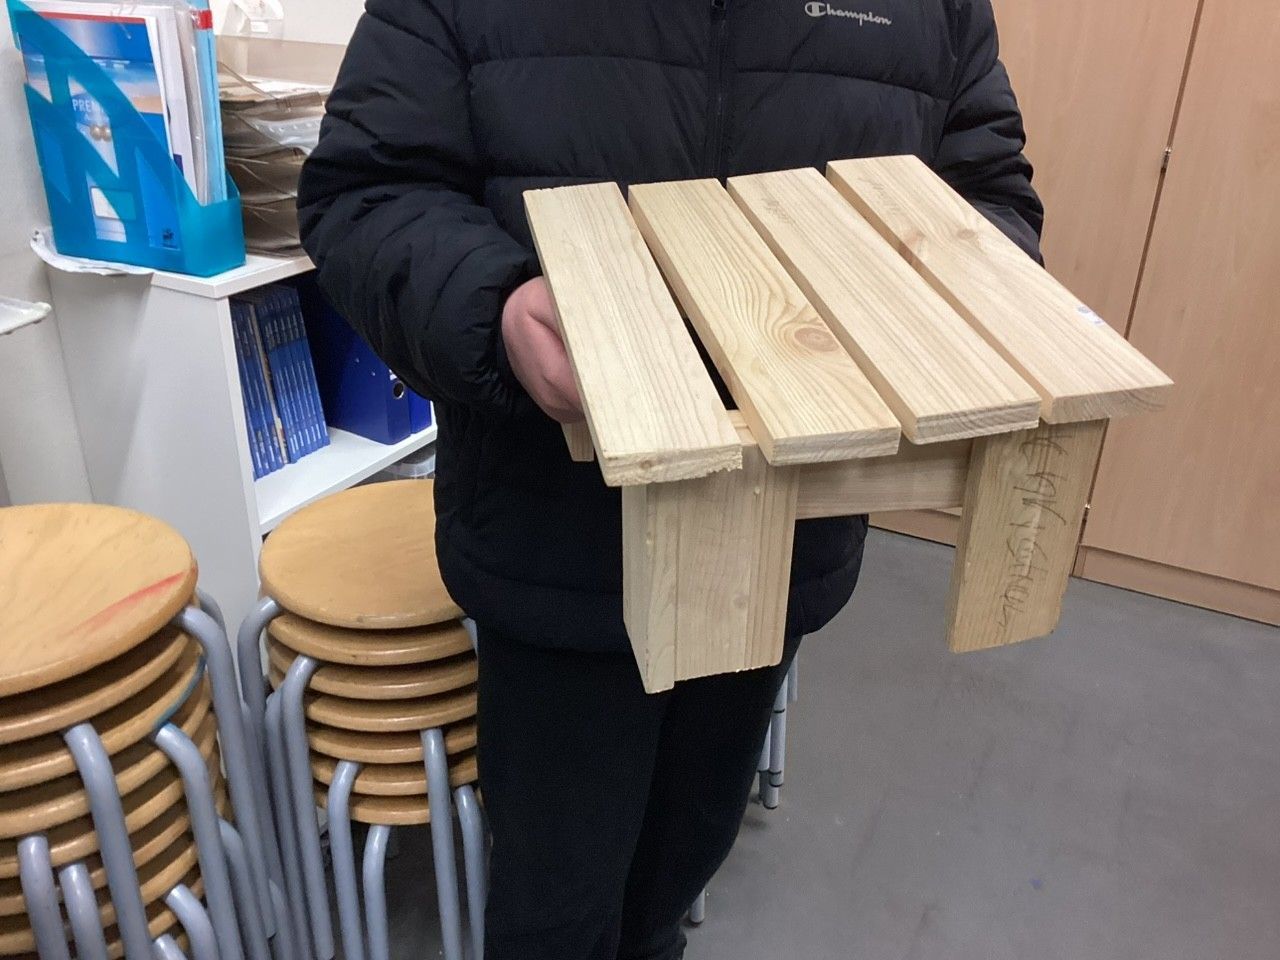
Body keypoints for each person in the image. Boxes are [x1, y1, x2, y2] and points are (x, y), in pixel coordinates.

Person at [298, 2, 1043, 957]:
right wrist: (496, 308)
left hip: (775, 552)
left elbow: (989, 202)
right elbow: (367, 191)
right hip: (554, 544)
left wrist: (921, 303)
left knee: (676, 876)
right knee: (554, 911)